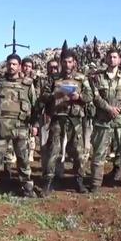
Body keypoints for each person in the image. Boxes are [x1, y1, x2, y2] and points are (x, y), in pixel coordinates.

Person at [0, 54, 38, 197]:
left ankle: (27, 188)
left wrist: (35, 124)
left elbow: (35, 106)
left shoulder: (27, 84)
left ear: (19, 66)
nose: (11, 66)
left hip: (21, 128)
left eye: (14, 64)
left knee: (23, 160)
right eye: (9, 64)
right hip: (1, 128)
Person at [39, 49, 93, 196]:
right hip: (58, 119)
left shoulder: (82, 78)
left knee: (79, 153)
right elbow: (42, 96)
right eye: (64, 61)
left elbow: (90, 96)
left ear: (74, 62)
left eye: (70, 61)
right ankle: (48, 182)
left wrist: (79, 96)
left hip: (75, 120)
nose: (67, 64)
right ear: (61, 62)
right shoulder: (54, 78)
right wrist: (54, 95)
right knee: (53, 151)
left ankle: (78, 180)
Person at [88, 48, 121, 192]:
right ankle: (95, 184)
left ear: (120, 60)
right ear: (106, 59)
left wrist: (118, 109)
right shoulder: (97, 77)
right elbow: (95, 97)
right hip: (103, 121)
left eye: (115, 57)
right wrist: (109, 108)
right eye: (110, 57)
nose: (112, 59)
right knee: (99, 153)